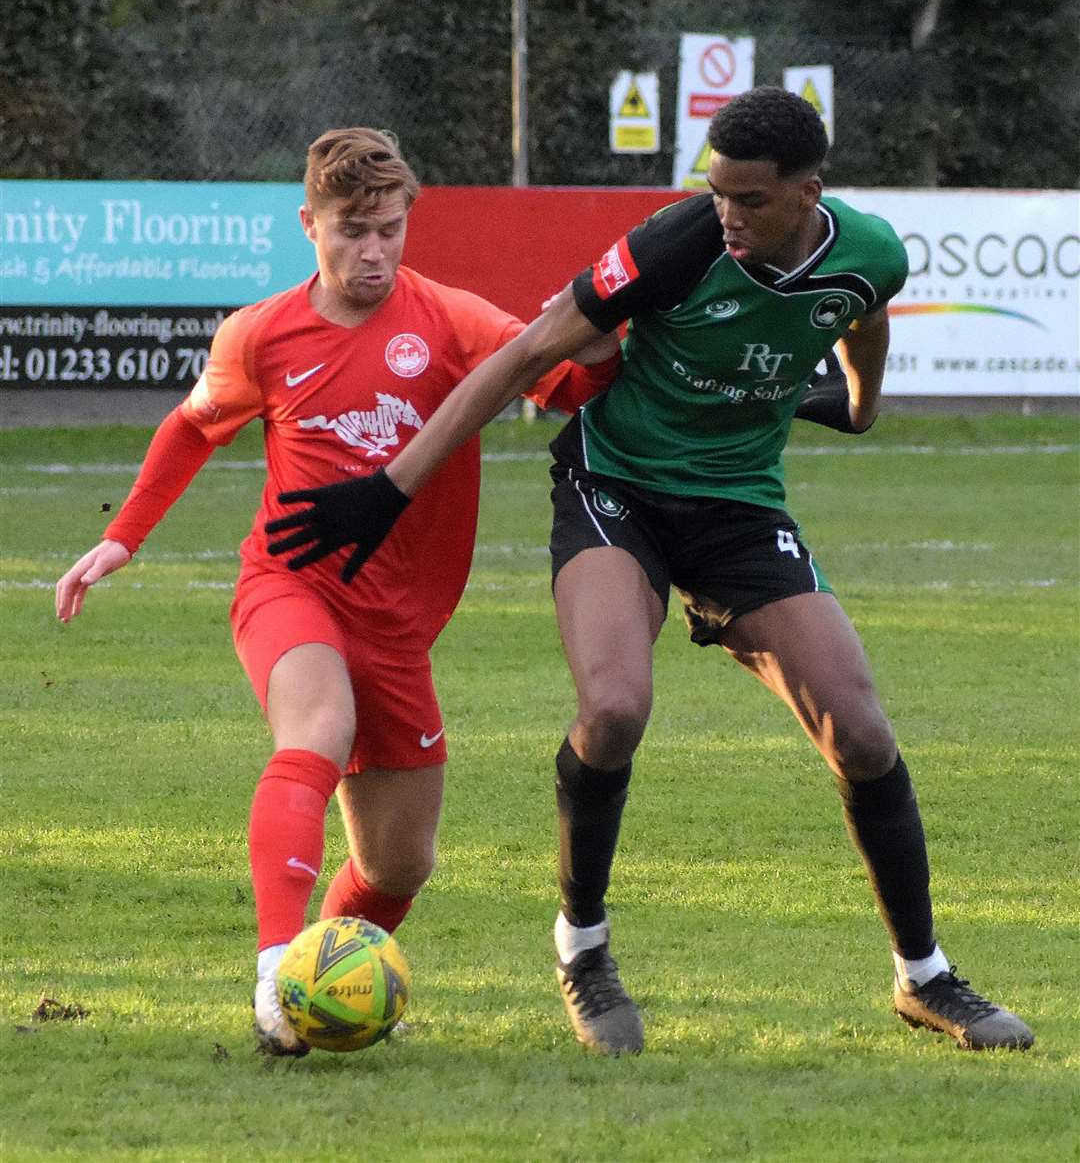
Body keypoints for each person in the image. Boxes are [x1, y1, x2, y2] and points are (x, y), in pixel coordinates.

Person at [264, 88, 1036, 1057]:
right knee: (617, 705)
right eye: (715, 192)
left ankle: (925, 979)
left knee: (864, 731)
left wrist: (858, 400)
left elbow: (861, 312)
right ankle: (583, 950)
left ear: (808, 193)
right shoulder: (676, 243)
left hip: (738, 509)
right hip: (613, 487)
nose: (726, 214)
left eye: (748, 200)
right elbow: (528, 352)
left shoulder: (871, 250)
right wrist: (391, 486)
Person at [54, 127, 619, 1056]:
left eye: (391, 230)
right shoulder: (261, 334)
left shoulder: (453, 321)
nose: (375, 251)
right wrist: (123, 536)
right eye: (354, 230)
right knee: (318, 730)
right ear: (308, 223)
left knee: (398, 864)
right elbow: (195, 427)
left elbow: (570, 383)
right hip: (289, 585)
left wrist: (609, 327)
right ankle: (280, 973)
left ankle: (325, 993)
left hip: (399, 627)